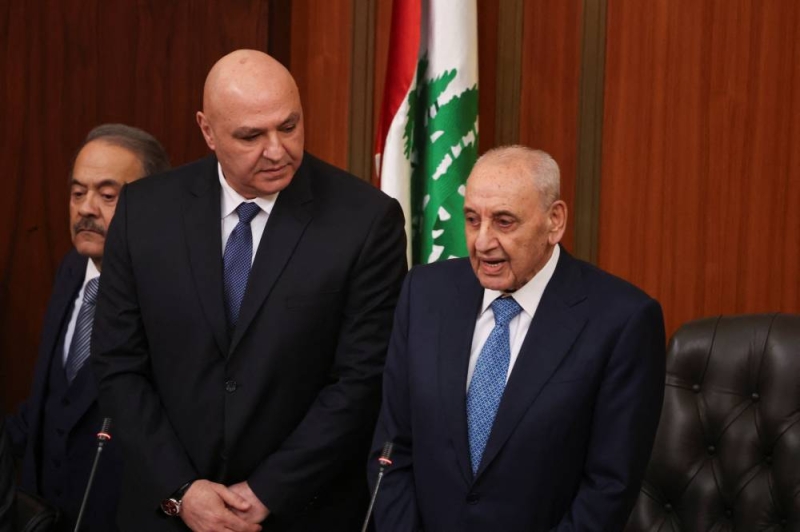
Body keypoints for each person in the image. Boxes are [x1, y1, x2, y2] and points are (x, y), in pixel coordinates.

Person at [91, 49, 407, 532]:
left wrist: (266, 492)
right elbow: (118, 363)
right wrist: (182, 490)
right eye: (251, 136)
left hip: (298, 513)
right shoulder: (144, 212)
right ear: (208, 130)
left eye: (289, 126)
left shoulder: (366, 221)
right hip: (166, 512)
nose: (277, 150)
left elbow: (361, 381)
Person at [370, 146, 666, 531]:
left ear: (554, 221)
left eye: (504, 222)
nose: (482, 242)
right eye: (472, 219)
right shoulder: (424, 294)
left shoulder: (622, 320)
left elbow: (609, 487)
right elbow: (392, 450)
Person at [5, 124, 170, 531]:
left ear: (155, 203)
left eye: (107, 195)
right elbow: (50, 400)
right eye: (78, 193)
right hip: (44, 512)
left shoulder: (172, 297)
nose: (86, 209)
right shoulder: (71, 270)